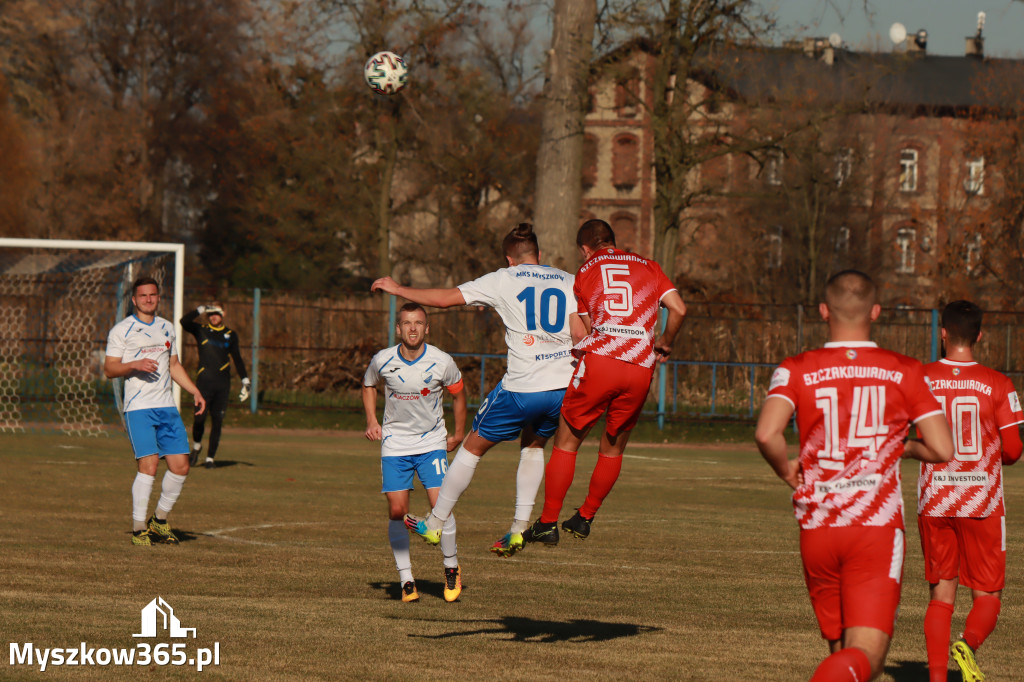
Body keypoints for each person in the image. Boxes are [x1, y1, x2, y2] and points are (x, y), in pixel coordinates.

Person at [754, 270, 954, 682]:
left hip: (818, 527)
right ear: (876, 311)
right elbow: (943, 449)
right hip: (874, 529)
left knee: (842, 653)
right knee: (867, 657)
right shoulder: (906, 370)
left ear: (824, 310)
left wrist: (786, 468)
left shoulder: (795, 367)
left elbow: (767, 433)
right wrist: (905, 446)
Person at [371, 223, 584, 557]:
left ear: (509, 259)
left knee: (471, 447)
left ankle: (436, 520)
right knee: (533, 445)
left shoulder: (504, 278)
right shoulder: (569, 279)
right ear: (539, 255)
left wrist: (399, 289)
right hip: (562, 386)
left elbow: (444, 300)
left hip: (522, 387)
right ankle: (518, 528)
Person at [525, 218, 687, 545]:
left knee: (567, 441)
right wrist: (666, 340)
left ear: (586, 249)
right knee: (613, 447)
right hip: (641, 367)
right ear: (613, 240)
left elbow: (585, 330)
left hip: (601, 361)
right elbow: (679, 309)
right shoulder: (650, 266)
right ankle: (585, 517)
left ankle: (547, 523)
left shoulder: (586, 272)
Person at [916, 300, 1023, 682]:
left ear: (942, 332)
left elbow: (909, 435)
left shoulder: (921, 378)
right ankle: (968, 644)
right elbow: (1013, 450)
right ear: (979, 335)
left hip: (935, 500)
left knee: (941, 596)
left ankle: (937, 678)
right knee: (988, 597)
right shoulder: (999, 383)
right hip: (982, 502)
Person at [363, 303, 467, 602]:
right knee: (397, 513)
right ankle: (406, 580)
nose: (412, 328)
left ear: (427, 328)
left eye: (418, 323)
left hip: (431, 442)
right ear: (398, 329)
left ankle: (451, 568)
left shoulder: (442, 361)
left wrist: (459, 433)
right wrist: (372, 420)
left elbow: (459, 396)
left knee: (441, 509)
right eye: (407, 323)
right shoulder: (382, 360)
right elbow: (368, 384)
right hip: (395, 444)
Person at [104, 276, 207, 546]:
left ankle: (159, 521)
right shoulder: (121, 331)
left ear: (158, 297)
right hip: (138, 408)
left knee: (181, 467)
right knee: (148, 467)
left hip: (167, 408)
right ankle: (139, 529)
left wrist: (194, 391)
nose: (148, 299)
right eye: (143, 296)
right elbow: (109, 368)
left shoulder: (167, 328)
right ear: (134, 300)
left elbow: (173, 365)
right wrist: (134, 364)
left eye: (153, 295)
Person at [180, 301, 250, 469]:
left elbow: (237, 358)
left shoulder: (230, 335)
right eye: (211, 313)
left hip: (222, 384)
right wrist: (200, 309)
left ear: (223, 314)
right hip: (203, 384)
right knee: (199, 420)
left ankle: (210, 458)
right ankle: (197, 446)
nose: (214, 316)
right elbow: (184, 322)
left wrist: (245, 380)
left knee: (217, 420)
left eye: (217, 313)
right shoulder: (201, 330)